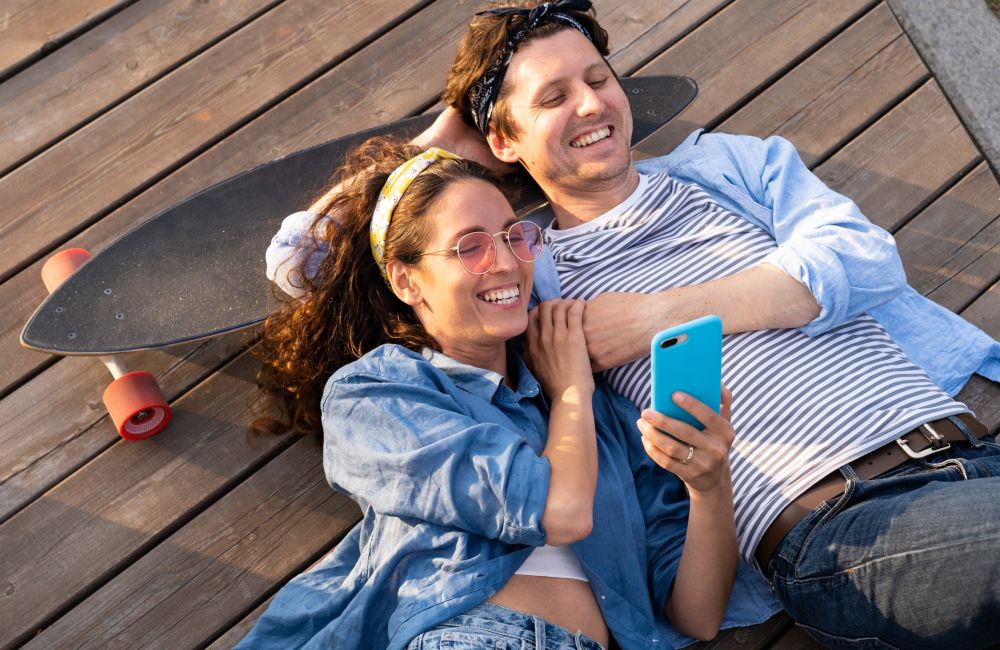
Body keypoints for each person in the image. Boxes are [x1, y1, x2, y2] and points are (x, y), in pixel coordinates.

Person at [266, 2, 1000, 646]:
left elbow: (866, 259)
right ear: (504, 142)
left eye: (597, 79)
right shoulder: (530, 276)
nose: (590, 105)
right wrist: (445, 141)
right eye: (553, 96)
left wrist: (655, 316)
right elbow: (303, 263)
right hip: (847, 522)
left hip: (965, 447)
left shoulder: (727, 168)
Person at [241, 137, 742, 649]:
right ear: (406, 280)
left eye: (513, 237)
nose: (506, 262)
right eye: (471, 246)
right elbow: (560, 513)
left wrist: (709, 483)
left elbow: (697, 615)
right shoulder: (377, 394)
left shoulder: (600, 417)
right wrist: (570, 387)